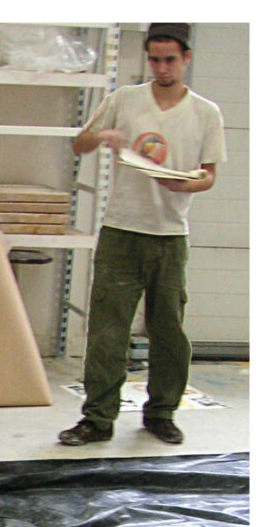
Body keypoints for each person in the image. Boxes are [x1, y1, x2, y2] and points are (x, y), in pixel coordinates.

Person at [59, 22, 226, 448]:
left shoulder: (206, 112)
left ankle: (162, 414)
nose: (162, 68)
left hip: (170, 235)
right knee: (107, 332)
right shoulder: (124, 99)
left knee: (168, 331)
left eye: (170, 60)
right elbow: (80, 143)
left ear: (186, 58)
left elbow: (209, 175)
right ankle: (97, 419)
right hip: (121, 231)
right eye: (154, 59)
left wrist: (187, 184)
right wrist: (101, 136)